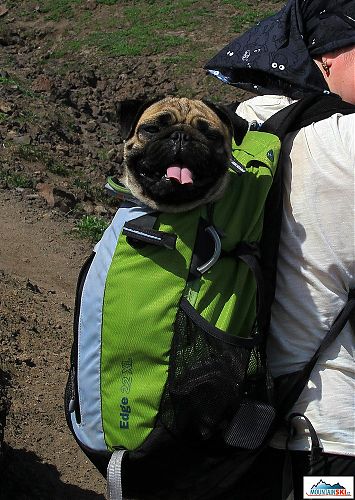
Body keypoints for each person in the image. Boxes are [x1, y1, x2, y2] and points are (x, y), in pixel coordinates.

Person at [206, 1, 355, 498]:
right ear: (328, 58)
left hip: (240, 421)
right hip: (330, 431)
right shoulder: (344, 140)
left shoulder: (247, 122)